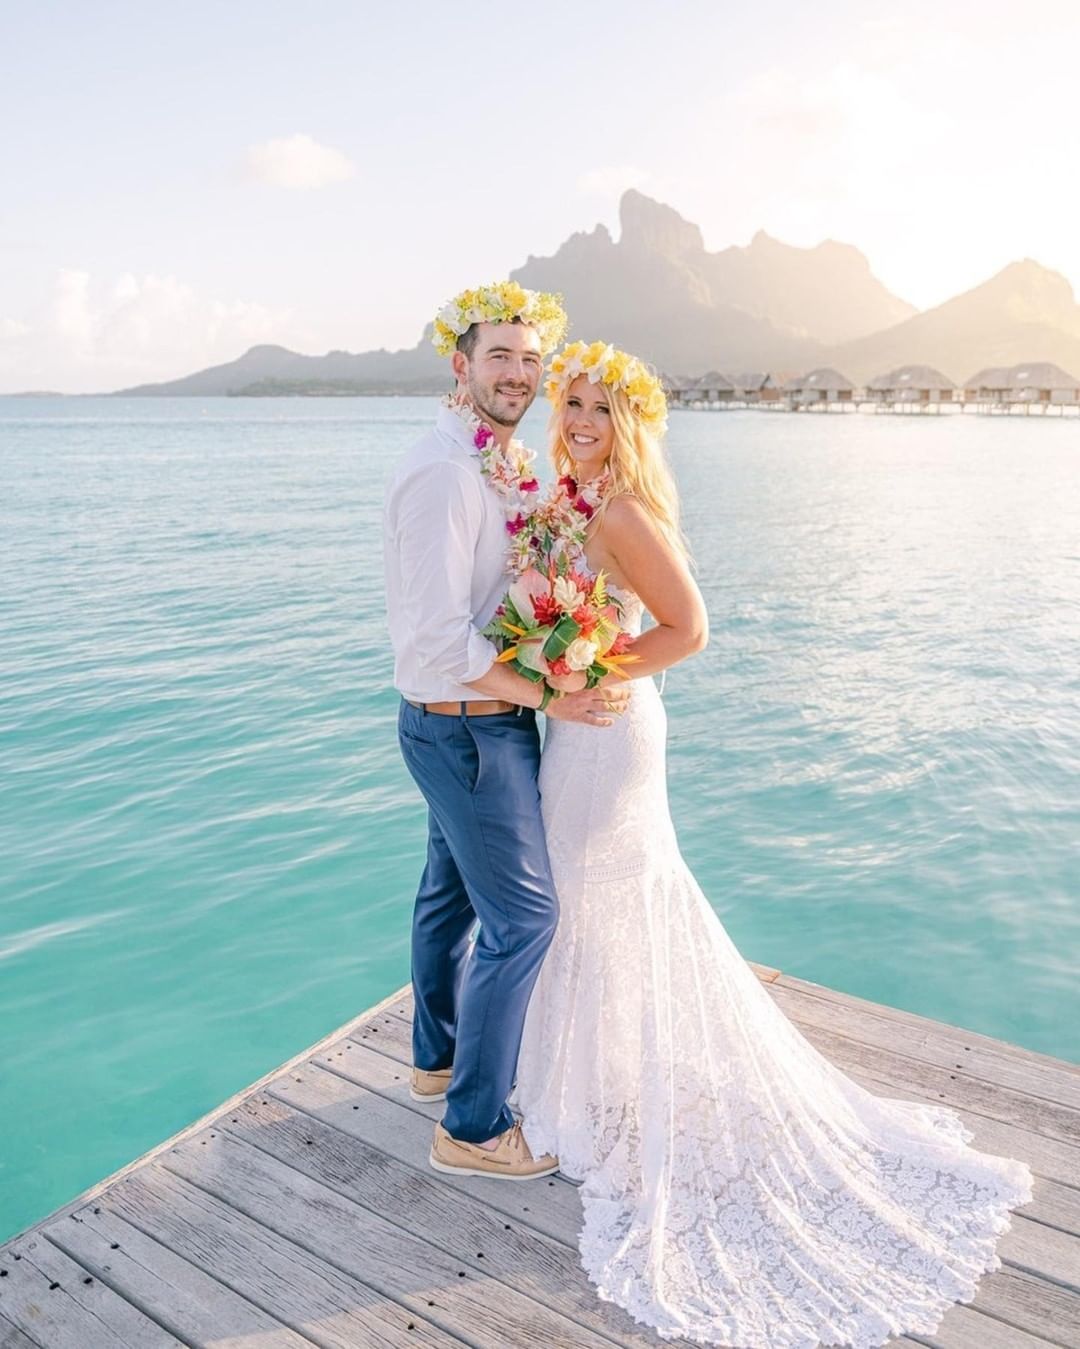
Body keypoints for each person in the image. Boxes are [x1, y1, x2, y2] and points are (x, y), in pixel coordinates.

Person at [513, 340, 1034, 1347]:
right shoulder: (574, 503)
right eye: (570, 402)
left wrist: (587, 669)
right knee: (582, 897)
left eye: (598, 407)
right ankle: (596, 1077)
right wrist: (552, 660)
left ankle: (593, 1089)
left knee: (598, 889)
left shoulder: (620, 511)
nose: (578, 420)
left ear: (626, 423)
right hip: (578, 729)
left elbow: (689, 627)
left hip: (610, 732)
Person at [382, 286, 632, 1183]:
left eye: (530, 359)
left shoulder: (495, 460)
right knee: (525, 919)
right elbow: (440, 640)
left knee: (449, 897)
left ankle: (437, 1059)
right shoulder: (446, 475)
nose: (518, 374)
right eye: (499, 356)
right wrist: (546, 697)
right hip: (467, 730)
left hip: (465, 724)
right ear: (461, 364)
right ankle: (474, 1126)